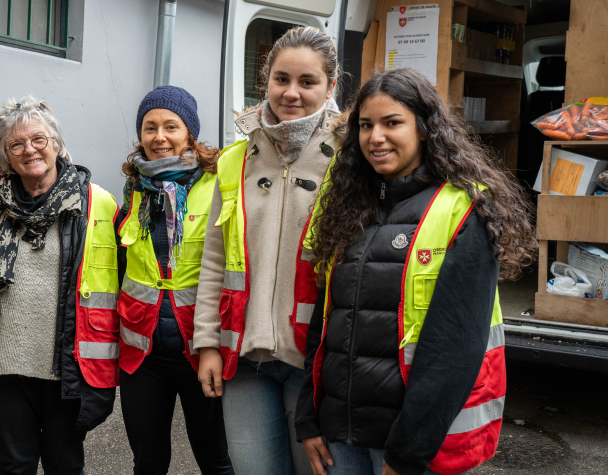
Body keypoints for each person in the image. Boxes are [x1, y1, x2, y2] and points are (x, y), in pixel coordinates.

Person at [296, 68, 537, 475]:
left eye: (393, 123)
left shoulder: (463, 210)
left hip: (410, 448)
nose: (376, 137)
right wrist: (309, 416)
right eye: (366, 125)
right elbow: (324, 326)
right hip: (342, 435)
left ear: (425, 129)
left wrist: (406, 454)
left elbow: (453, 351)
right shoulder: (349, 207)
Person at [193, 26, 343, 474]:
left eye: (308, 82)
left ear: (331, 86)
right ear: (266, 81)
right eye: (281, 79)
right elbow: (215, 258)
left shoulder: (351, 157)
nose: (291, 93)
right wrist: (207, 344)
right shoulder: (235, 160)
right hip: (245, 358)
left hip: (315, 359)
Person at [0, 96, 120, 475]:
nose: (29, 150)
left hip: (65, 364)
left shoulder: (96, 202)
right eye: (15, 144)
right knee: (15, 464)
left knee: (64, 464)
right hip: (3, 364)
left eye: (38, 139)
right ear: (5, 156)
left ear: (55, 142)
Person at [116, 86, 234, 475]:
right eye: (150, 128)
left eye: (171, 126)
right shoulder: (136, 189)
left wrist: (215, 342)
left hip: (200, 347)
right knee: (148, 463)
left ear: (190, 134)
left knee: (215, 459)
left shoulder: (216, 185)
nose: (159, 137)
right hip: (143, 353)